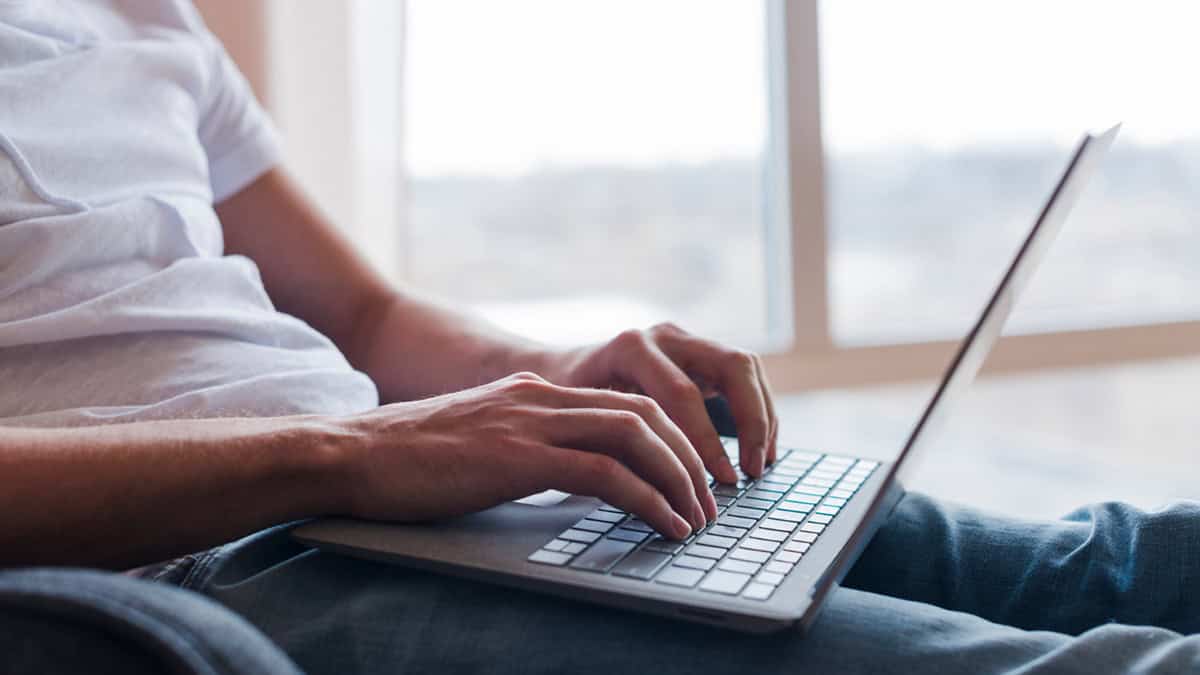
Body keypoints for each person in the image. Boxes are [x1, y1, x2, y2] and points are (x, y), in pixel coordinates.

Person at [0, 2, 1198, 673]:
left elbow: (367, 316)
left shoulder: (138, 16)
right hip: (191, 556)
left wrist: (557, 378)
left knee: (1100, 569)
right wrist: (350, 454)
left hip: (396, 498)